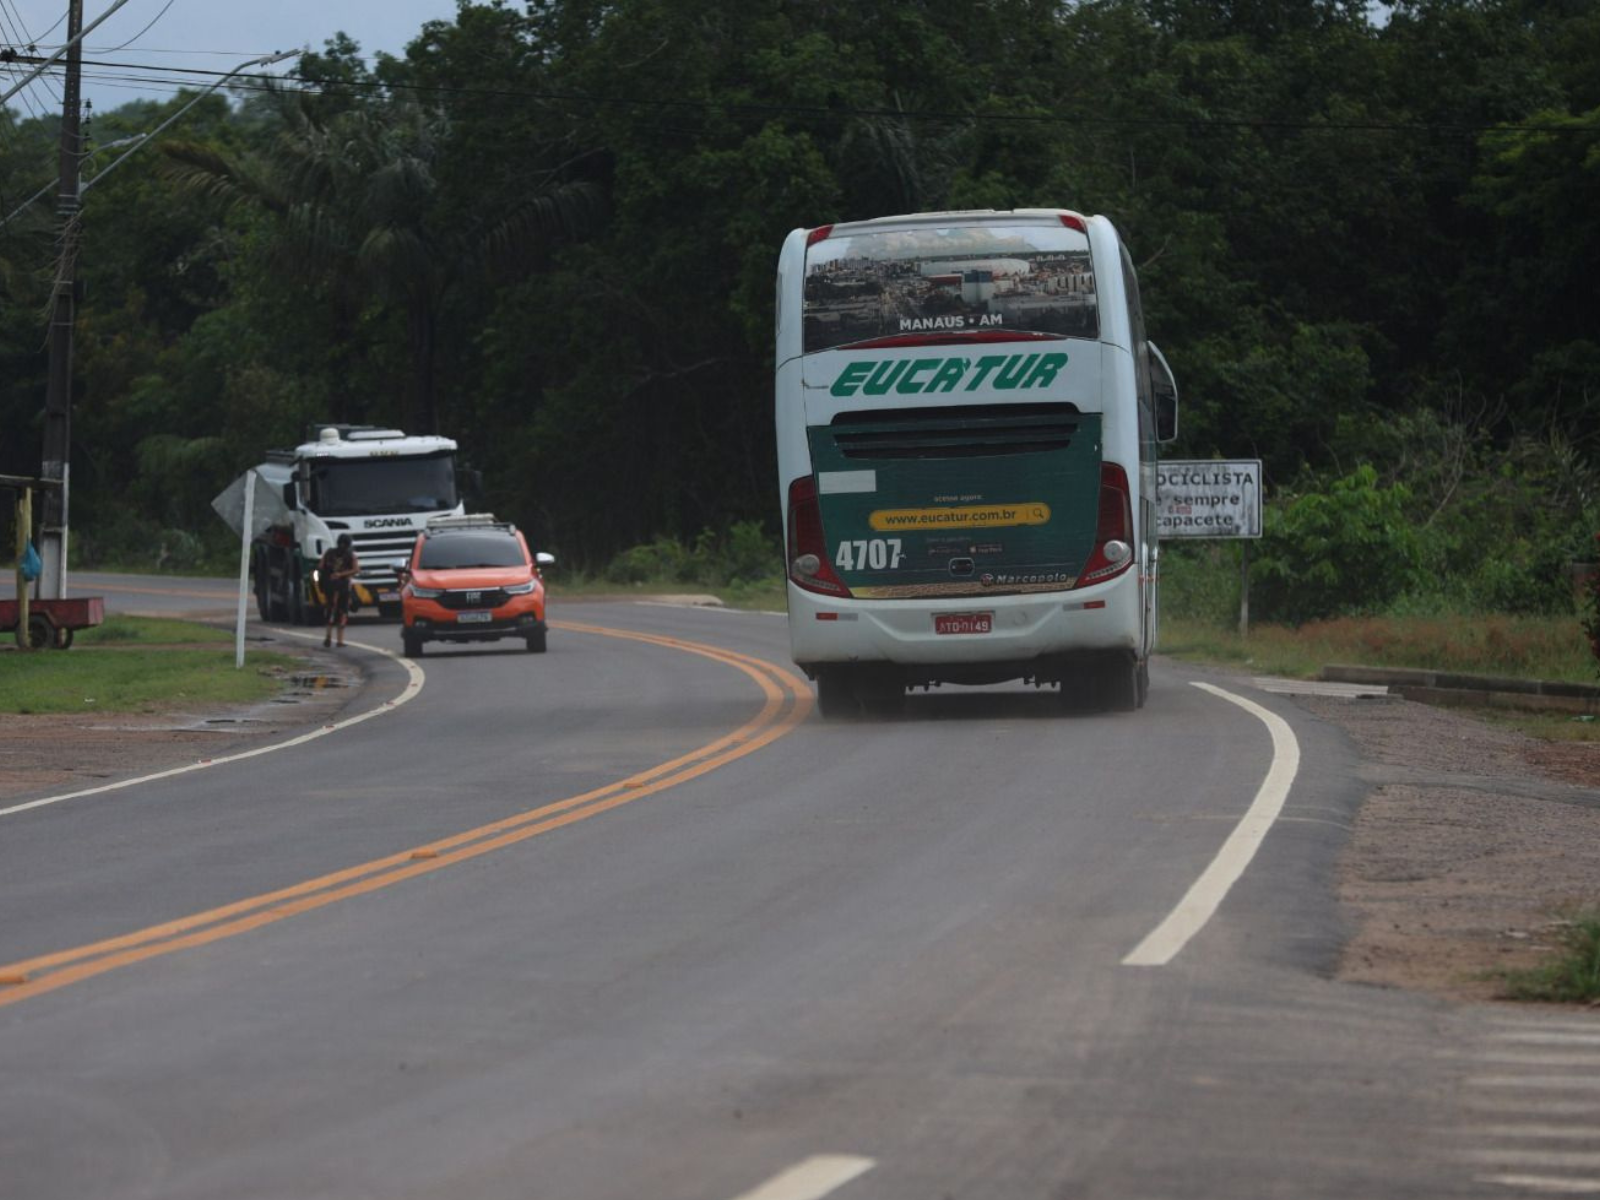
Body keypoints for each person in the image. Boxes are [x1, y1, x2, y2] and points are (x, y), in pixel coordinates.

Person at [319, 533, 359, 648]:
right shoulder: (350, 555)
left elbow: (320, 567)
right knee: (343, 611)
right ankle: (340, 640)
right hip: (343, 586)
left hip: (329, 586)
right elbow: (356, 569)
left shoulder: (329, 553)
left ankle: (328, 637)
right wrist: (341, 574)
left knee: (330, 609)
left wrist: (321, 580)